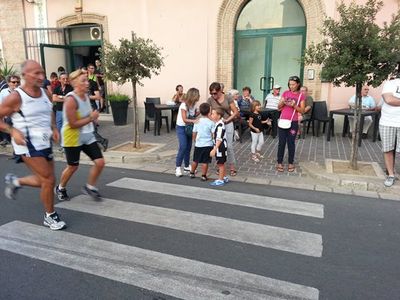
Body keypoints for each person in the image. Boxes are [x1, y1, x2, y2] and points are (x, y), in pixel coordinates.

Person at [0, 60, 66, 230]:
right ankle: (50, 216)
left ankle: (16, 181)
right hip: (27, 144)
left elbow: (49, 111)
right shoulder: (16, 97)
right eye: (35, 73)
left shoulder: (46, 93)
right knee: (49, 179)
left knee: (47, 180)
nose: (41, 76)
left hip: (45, 142)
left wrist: (53, 128)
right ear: (24, 76)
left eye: (41, 72)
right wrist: (12, 130)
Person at [55, 69, 105, 201]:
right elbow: (72, 124)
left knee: (100, 162)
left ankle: (90, 187)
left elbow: (87, 115)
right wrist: (91, 118)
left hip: (87, 135)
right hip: (73, 137)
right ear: (74, 83)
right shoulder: (71, 99)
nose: (87, 83)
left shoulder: (86, 96)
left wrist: (93, 118)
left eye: (87, 80)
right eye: (83, 81)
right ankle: (60, 187)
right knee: (73, 167)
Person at [207, 82, 239, 176]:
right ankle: (220, 166)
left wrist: (227, 120)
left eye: (215, 93)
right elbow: (208, 114)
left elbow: (235, 112)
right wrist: (214, 121)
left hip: (228, 123)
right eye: (211, 93)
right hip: (216, 125)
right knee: (218, 146)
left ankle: (232, 167)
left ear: (220, 91)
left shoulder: (228, 98)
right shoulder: (210, 100)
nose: (213, 95)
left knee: (228, 146)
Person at [276, 75, 305, 173]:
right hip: (283, 120)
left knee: (291, 143)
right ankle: (279, 162)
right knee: (281, 143)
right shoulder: (285, 93)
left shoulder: (301, 95)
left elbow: (303, 110)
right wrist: (283, 102)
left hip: (293, 122)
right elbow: (278, 107)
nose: (291, 86)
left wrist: (294, 105)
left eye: (293, 84)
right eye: (290, 84)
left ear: (298, 84)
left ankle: (290, 162)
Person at [380, 74, 400, 187]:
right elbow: (388, 99)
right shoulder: (390, 83)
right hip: (388, 122)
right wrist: (393, 99)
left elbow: (393, 99)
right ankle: (391, 175)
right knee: (388, 149)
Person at [175, 87, 199, 177]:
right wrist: (194, 121)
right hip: (181, 127)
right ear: (193, 96)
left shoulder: (194, 104)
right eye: (197, 95)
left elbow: (193, 115)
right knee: (183, 146)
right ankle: (177, 167)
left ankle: (186, 166)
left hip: (189, 127)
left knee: (188, 147)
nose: (198, 97)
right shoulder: (183, 105)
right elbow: (185, 119)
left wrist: (200, 112)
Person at [189, 102, 214, 181]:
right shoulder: (211, 122)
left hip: (198, 144)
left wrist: (194, 140)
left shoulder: (197, 121)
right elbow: (213, 134)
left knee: (195, 160)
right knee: (205, 161)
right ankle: (203, 175)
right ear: (209, 112)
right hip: (208, 144)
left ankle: (192, 172)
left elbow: (194, 132)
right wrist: (213, 141)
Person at [209, 107, 228, 186]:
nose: (211, 115)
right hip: (220, 147)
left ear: (219, 116)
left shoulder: (220, 126)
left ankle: (220, 179)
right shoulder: (218, 124)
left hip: (220, 147)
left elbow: (219, 139)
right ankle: (224, 176)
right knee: (222, 162)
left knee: (220, 163)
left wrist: (214, 149)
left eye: (213, 114)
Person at [52, 72, 73, 143]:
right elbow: (54, 99)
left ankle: (68, 143)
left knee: (67, 127)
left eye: (67, 78)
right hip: (59, 111)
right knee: (59, 127)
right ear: (59, 80)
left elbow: (71, 99)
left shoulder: (70, 88)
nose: (65, 80)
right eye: (63, 79)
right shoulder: (57, 88)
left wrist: (60, 97)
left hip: (68, 111)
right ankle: (63, 143)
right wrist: (65, 98)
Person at [0, 75, 20, 146]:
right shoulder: (3, 92)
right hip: (7, 113)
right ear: (8, 83)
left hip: (18, 114)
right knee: (6, 120)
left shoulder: (21, 91)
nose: (16, 84)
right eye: (13, 82)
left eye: (18, 82)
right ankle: (6, 139)